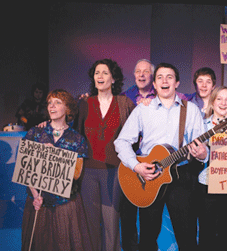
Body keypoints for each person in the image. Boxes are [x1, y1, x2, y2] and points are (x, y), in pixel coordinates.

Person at [114, 62, 208, 251]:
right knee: (147, 238)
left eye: (170, 77)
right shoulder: (143, 109)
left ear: (177, 83)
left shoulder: (191, 110)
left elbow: (201, 147)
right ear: (155, 85)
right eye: (160, 77)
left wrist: (203, 154)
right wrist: (136, 166)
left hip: (181, 177)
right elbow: (121, 142)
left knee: (187, 236)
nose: (165, 81)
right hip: (149, 178)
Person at [75, 59, 135, 251]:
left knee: (111, 224)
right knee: (90, 223)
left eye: (105, 72)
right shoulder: (84, 103)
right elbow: (75, 134)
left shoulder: (125, 103)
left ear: (114, 77)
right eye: (96, 73)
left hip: (115, 172)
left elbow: (136, 135)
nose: (100, 76)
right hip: (88, 173)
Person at [21, 89, 92, 251]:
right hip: (39, 202)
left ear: (68, 109)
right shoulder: (36, 132)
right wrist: (35, 195)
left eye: (57, 102)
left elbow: (76, 174)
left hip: (65, 204)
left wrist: (54, 154)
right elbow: (26, 169)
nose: (52, 106)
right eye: (50, 103)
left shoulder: (77, 138)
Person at [197, 86, 227, 251]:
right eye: (219, 99)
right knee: (206, 231)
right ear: (212, 101)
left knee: (226, 232)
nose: (223, 103)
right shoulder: (200, 125)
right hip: (206, 183)